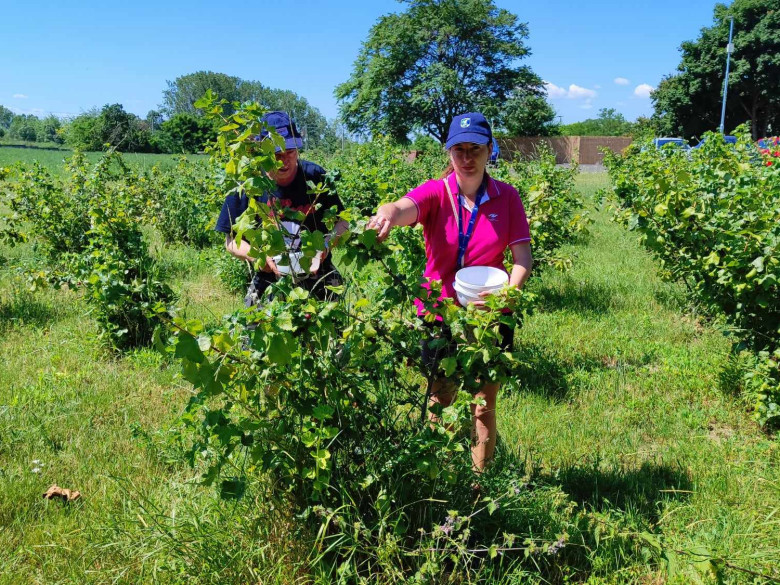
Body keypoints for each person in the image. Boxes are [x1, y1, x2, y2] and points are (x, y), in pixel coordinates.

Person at [366, 112, 533, 471]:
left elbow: (522, 259)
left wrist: (507, 297)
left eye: (476, 149)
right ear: (449, 154)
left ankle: (479, 482)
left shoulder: (507, 197)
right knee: (442, 398)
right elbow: (401, 207)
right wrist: (386, 215)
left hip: (490, 313)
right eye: (459, 150)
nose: (467, 158)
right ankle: (438, 477)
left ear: (491, 150)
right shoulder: (436, 193)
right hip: (438, 312)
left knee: (484, 403)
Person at [215, 111, 348, 307]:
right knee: (253, 329)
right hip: (269, 274)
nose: (284, 160)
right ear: (262, 153)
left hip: (316, 270)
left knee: (335, 329)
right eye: (276, 154)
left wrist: (325, 246)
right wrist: (259, 256)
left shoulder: (315, 176)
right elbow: (231, 242)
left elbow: (342, 222)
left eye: (290, 152)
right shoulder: (248, 184)